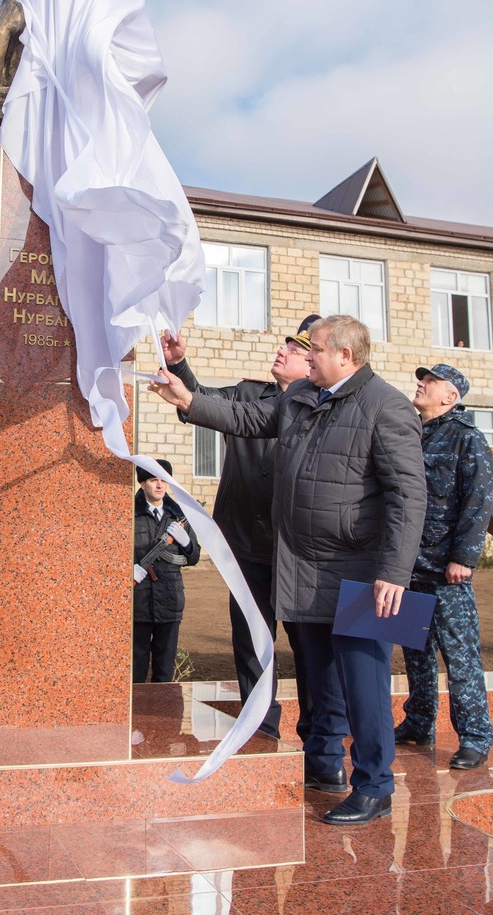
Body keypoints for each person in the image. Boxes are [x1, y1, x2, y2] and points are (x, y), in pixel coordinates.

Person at [149, 315, 427, 825]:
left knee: (363, 684)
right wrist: (186, 399)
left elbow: (408, 497)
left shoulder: (385, 406)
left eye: (314, 348)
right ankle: (324, 768)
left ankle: (376, 786)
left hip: (364, 574)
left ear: (345, 355)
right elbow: (247, 420)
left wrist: (394, 572)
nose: (305, 353)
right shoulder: (301, 399)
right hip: (304, 566)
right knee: (317, 675)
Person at [161, 316, 320, 742]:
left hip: (297, 552)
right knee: (252, 640)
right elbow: (206, 402)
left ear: (314, 365)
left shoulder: (322, 412)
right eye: (284, 343)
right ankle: (260, 728)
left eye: (295, 349)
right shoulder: (250, 393)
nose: (282, 350)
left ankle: (316, 730)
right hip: (246, 547)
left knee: (307, 647)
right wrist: (179, 365)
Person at [395, 364, 493, 768]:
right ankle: (419, 722)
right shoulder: (413, 434)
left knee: (460, 654)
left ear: (450, 396)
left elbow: (478, 501)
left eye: (430, 382)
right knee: (415, 652)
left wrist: (463, 558)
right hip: (410, 565)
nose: (420, 384)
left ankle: (474, 736)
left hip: (445, 568)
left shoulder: (467, 440)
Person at [133, 460, 201, 683]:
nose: (160, 486)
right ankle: (137, 715)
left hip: (170, 600)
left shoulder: (179, 516)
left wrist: (187, 543)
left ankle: (160, 713)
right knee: (136, 669)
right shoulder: (129, 514)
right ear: (143, 484)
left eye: (163, 481)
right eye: (154, 480)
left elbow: (193, 558)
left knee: (164, 670)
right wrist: (127, 569)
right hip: (138, 602)